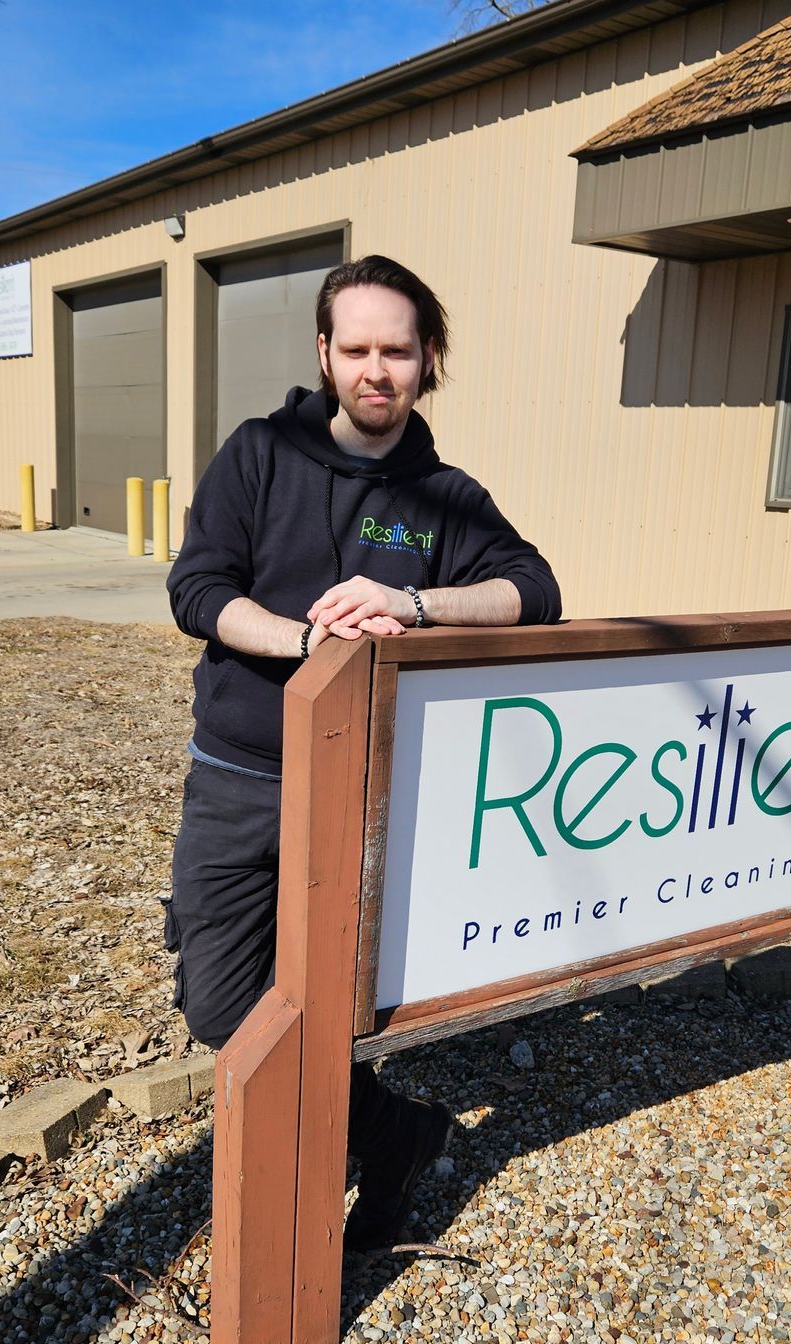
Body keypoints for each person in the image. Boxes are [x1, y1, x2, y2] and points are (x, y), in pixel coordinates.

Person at [165, 254, 562, 1250]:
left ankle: (347, 1170)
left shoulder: (445, 494)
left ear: (429, 361)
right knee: (220, 1009)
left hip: (359, 793)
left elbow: (535, 591)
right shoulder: (258, 454)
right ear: (324, 354)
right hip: (239, 780)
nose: (376, 369)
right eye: (357, 349)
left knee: (337, 1003)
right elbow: (199, 590)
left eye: (398, 349)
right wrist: (311, 643)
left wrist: (415, 604)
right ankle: (398, 1132)